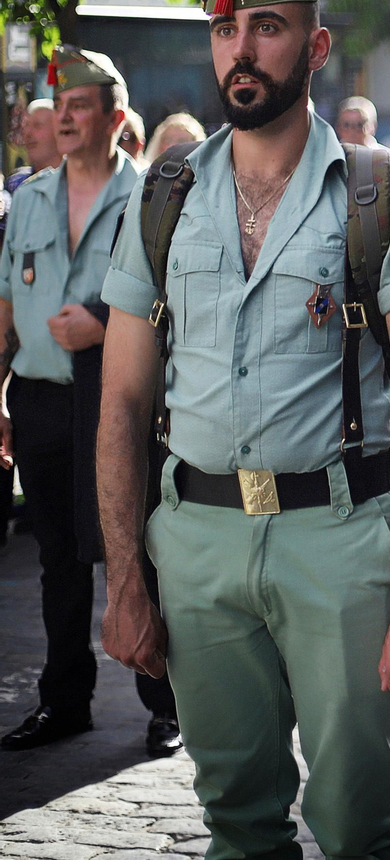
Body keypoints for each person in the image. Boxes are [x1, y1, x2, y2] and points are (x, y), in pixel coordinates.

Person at [96, 0, 390, 860]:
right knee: (236, 816)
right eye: (226, 28)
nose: (242, 49)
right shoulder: (166, 196)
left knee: (354, 821)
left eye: (267, 27)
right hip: (197, 539)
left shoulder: (378, 197)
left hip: (338, 539)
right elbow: (120, 407)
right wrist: (127, 580)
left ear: (315, 45)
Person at [0, 45, 181, 756]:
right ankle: (63, 699)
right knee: (57, 560)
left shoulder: (149, 198)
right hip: (42, 399)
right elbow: (7, 306)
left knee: (136, 549)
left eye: (81, 105)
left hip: (118, 402)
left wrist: (104, 323)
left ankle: (165, 701)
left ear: (114, 115)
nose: (67, 117)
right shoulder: (32, 198)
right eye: (61, 105)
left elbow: (175, 300)